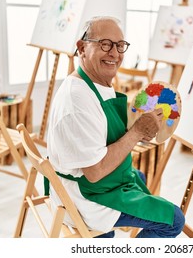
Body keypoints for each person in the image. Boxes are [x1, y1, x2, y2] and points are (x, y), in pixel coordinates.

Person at [46, 16, 185, 238]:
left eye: (120, 45)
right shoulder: (78, 100)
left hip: (87, 183)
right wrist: (137, 131)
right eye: (105, 44)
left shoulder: (94, 84)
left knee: (137, 175)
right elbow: (95, 172)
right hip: (86, 195)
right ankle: (103, 234)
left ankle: (106, 236)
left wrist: (139, 128)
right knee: (174, 220)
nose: (115, 53)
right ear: (81, 48)